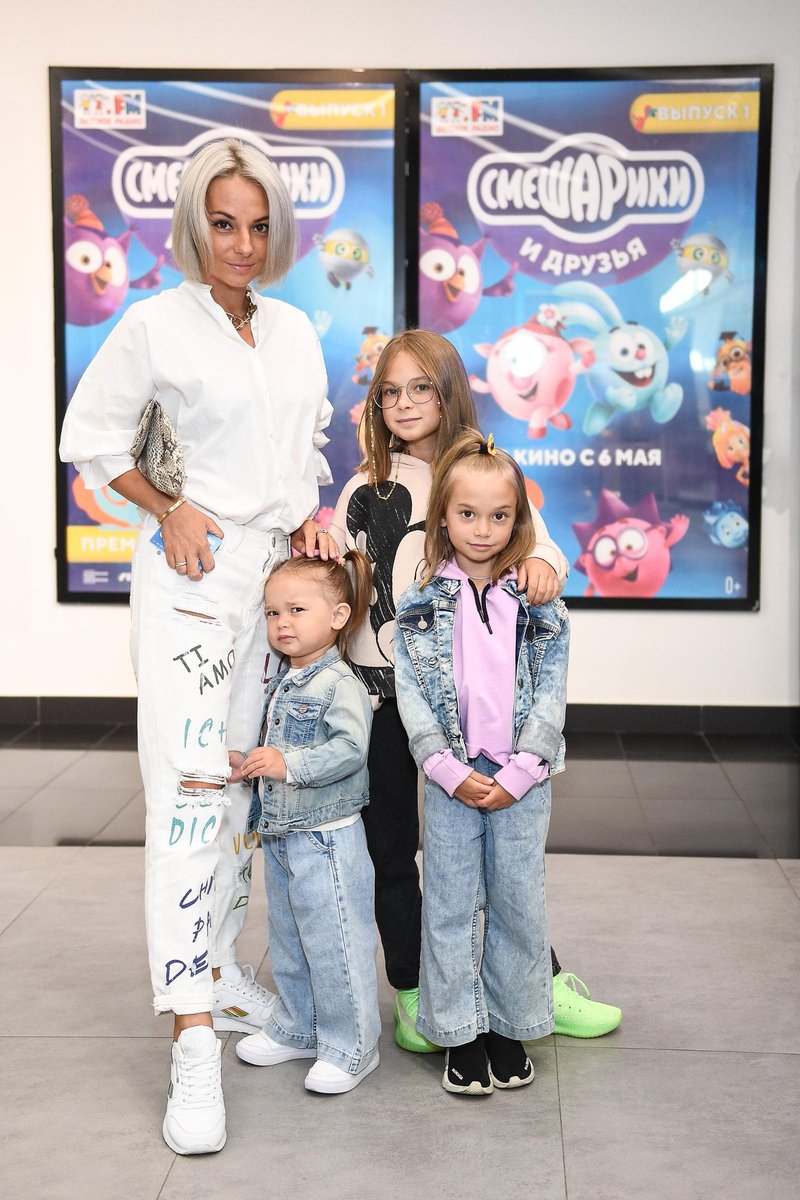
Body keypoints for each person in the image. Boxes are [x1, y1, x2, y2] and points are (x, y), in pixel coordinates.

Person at [59, 138, 338, 1154]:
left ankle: (217, 973)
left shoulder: (296, 329)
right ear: (193, 224)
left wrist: (307, 519)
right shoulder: (152, 324)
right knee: (186, 797)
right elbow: (90, 441)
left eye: (259, 225)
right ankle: (189, 1043)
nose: (242, 243)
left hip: (274, 587)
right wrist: (168, 506)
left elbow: (304, 450)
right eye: (223, 223)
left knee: (239, 796)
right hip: (189, 577)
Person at [328, 330, 621, 1053]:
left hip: (470, 705)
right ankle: (414, 988)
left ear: (451, 390)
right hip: (381, 694)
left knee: (500, 863)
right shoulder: (364, 487)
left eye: (420, 388)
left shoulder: (480, 467)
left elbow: (539, 543)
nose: (403, 403)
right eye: (389, 391)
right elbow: (345, 583)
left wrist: (544, 563)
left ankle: (536, 985)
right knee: (392, 848)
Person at [393, 430, 568, 1094]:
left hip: (523, 780)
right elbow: (412, 695)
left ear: (518, 521)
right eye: (468, 514)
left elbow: (551, 693)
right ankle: (459, 1032)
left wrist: (522, 771)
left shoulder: (539, 603)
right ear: (443, 514)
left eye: (500, 516)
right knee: (450, 903)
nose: (483, 529)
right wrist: (445, 769)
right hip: (452, 779)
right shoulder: (418, 605)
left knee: (518, 902)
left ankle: (509, 1024)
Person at [228, 552, 381, 1094]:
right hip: (283, 833)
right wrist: (254, 761)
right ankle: (299, 1026)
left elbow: (350, 750)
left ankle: (351, 1045)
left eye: (296, 610)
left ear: (338, 616)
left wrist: (287, 764)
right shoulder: (286, 681)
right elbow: (281, 743)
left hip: (327, 837)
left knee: (335, 941)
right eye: (273, 613)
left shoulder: (338, 683)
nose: (282, 623)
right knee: (289, 938)